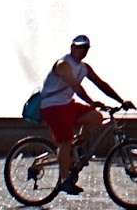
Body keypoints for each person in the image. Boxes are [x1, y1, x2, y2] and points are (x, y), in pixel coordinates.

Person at [38, 34, 129, 195]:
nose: (82, 50)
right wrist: (91, 102)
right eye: (79, 46)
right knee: (65, 141)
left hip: (66, 105)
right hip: (52, 107)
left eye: (85, 48)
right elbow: (76, 87)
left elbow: (101, 84)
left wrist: (122, 101)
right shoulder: (63, 64)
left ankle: (77, 148)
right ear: (72, 47)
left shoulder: (84, 67)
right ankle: (64, 180)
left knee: (96, 117)